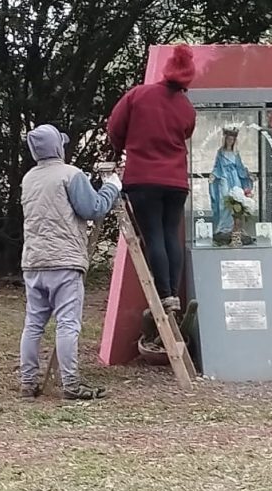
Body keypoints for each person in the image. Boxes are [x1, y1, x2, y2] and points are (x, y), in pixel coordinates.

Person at [19, 124, 121, 401]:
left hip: (33, 262)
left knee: (33, 324)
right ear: (57, 147)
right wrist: (112, 186)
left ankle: (28, 383)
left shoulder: (29, 178)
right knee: (67, 324)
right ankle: (71, 385)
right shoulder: (70, 175)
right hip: (64, 261)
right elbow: (93, 209)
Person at [107, 44, 197, 312]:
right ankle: (173, 295)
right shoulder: (186, 107)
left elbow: (114, 126)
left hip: (143, 179)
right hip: (177, 182)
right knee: (171, 233)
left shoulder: (139, 95)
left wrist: (121, 145)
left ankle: (164, 293)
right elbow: (186, 134)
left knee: (154, 235)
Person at [209, 127, 253, 235]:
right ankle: (224, 227)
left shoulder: (236, 153)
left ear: (234, 141)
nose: (230, 141)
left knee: (237, 201)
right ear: (225, 140)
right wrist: (214, 175)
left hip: (235, 178)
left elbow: (240, 167)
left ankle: (236, 227)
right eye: (228, 139)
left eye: (232, 139)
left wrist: (248, 174)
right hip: (224, 177)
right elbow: (217, 166)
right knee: (224, 201)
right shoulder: (220, 152)